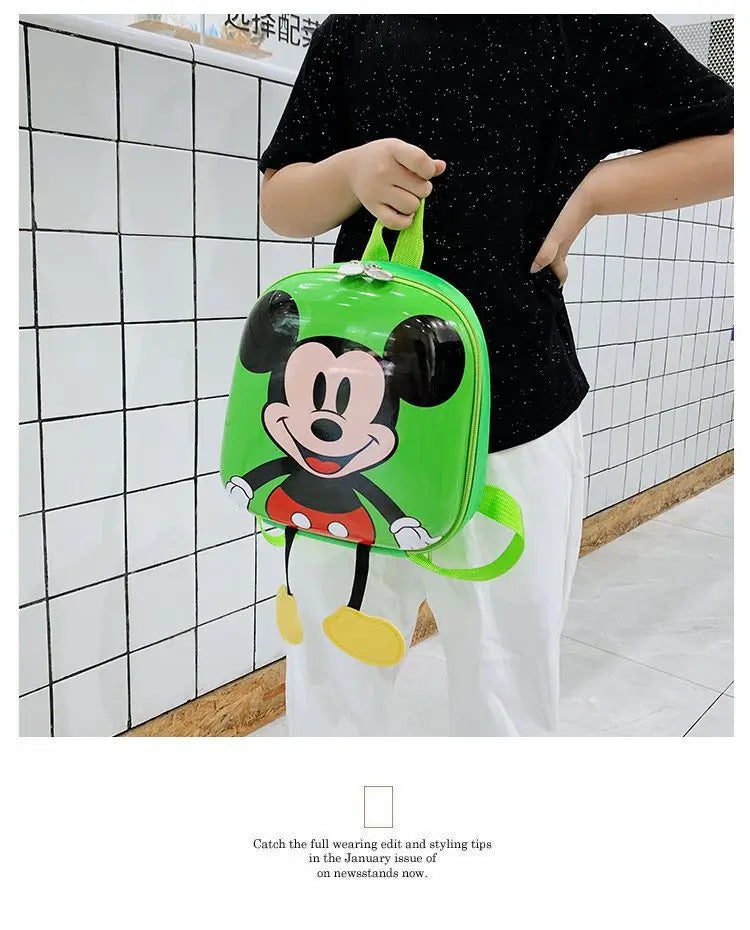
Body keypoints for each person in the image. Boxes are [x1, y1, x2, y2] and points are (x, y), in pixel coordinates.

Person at [253, 14, 734, 736]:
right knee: (332, 676)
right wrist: (349, 173)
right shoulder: (355, 26)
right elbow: (281, 202)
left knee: (504, 689)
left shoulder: (586, 25)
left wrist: (591, 192)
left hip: (516, 412)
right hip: (350, 421)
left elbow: (729, 142)